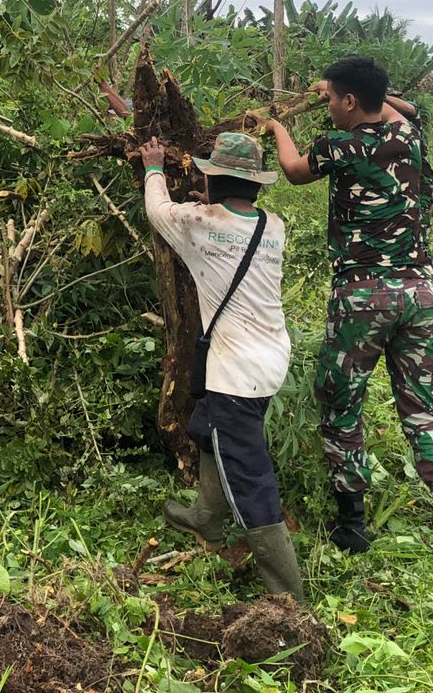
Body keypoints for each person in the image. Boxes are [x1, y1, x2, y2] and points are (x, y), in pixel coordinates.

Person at [256, 56, 433, 576]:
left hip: (364, 295)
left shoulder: (342, 145)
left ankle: (352, 522)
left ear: (350, 102)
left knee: (340, 400)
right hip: (420, 294)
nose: (330, 106)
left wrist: (277, 127)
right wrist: (343, 87)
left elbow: (292, 172)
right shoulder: (411, 136)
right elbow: (405, 109)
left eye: (334, 98)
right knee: (426, 410)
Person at [140, 132, 304, 599]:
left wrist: (154, 166)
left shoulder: (197, 222)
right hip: (268, 360)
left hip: (236, 371)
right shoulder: (272, 225)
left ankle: (288, 597)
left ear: (213, 180)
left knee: (251, 481)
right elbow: (225, 227)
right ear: (254, 185)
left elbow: (158, 211)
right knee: (205, 425)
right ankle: (206, 517)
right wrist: (209, 204)